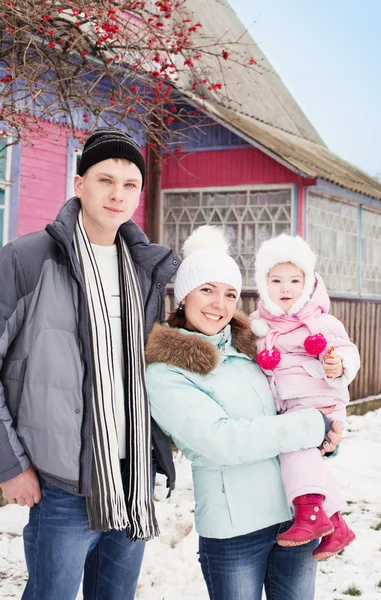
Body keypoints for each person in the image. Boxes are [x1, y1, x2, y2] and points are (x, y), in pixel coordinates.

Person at [0, 127, 179, 600]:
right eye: (105, 180)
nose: (117, 195)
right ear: (79, 184)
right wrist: (9, 462)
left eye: (129, 184)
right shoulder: (28, 258)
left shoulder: (145, 270)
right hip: (61, 484)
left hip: (132, 474)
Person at [145, 225, 341, 600]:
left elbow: (295, 401)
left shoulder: (253, 349)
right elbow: (222, 441)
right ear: (184, 295)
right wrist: (310, 425)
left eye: (230, 294)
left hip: (293, 515)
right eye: (207, 290)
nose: (219, 304)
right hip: (235, 531)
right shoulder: (167, 370)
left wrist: (326, 434)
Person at [250, 233, 359, 560]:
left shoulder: (322, 322)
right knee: (306, 456)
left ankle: (310, 512)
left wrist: (337, 364)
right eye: (276, 280)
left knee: (294, 448)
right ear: (263, 284)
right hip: (291, 405)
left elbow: (348, 351)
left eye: (295, 280)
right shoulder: (261, 329)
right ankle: (337, 522)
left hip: (322, 402)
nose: (286, 288)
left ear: (309, 284)